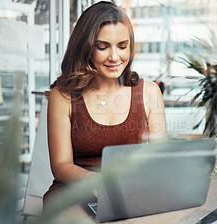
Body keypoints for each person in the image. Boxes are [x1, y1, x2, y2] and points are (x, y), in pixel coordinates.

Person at [43, 1, 168, 205]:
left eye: (122, 46)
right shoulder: (63, 96)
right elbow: (60, 164)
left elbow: (159, 158)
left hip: (128, 192)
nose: (114, 57)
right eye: (102, 47)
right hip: (74, 193)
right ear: (85, 48)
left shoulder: (149, 92)